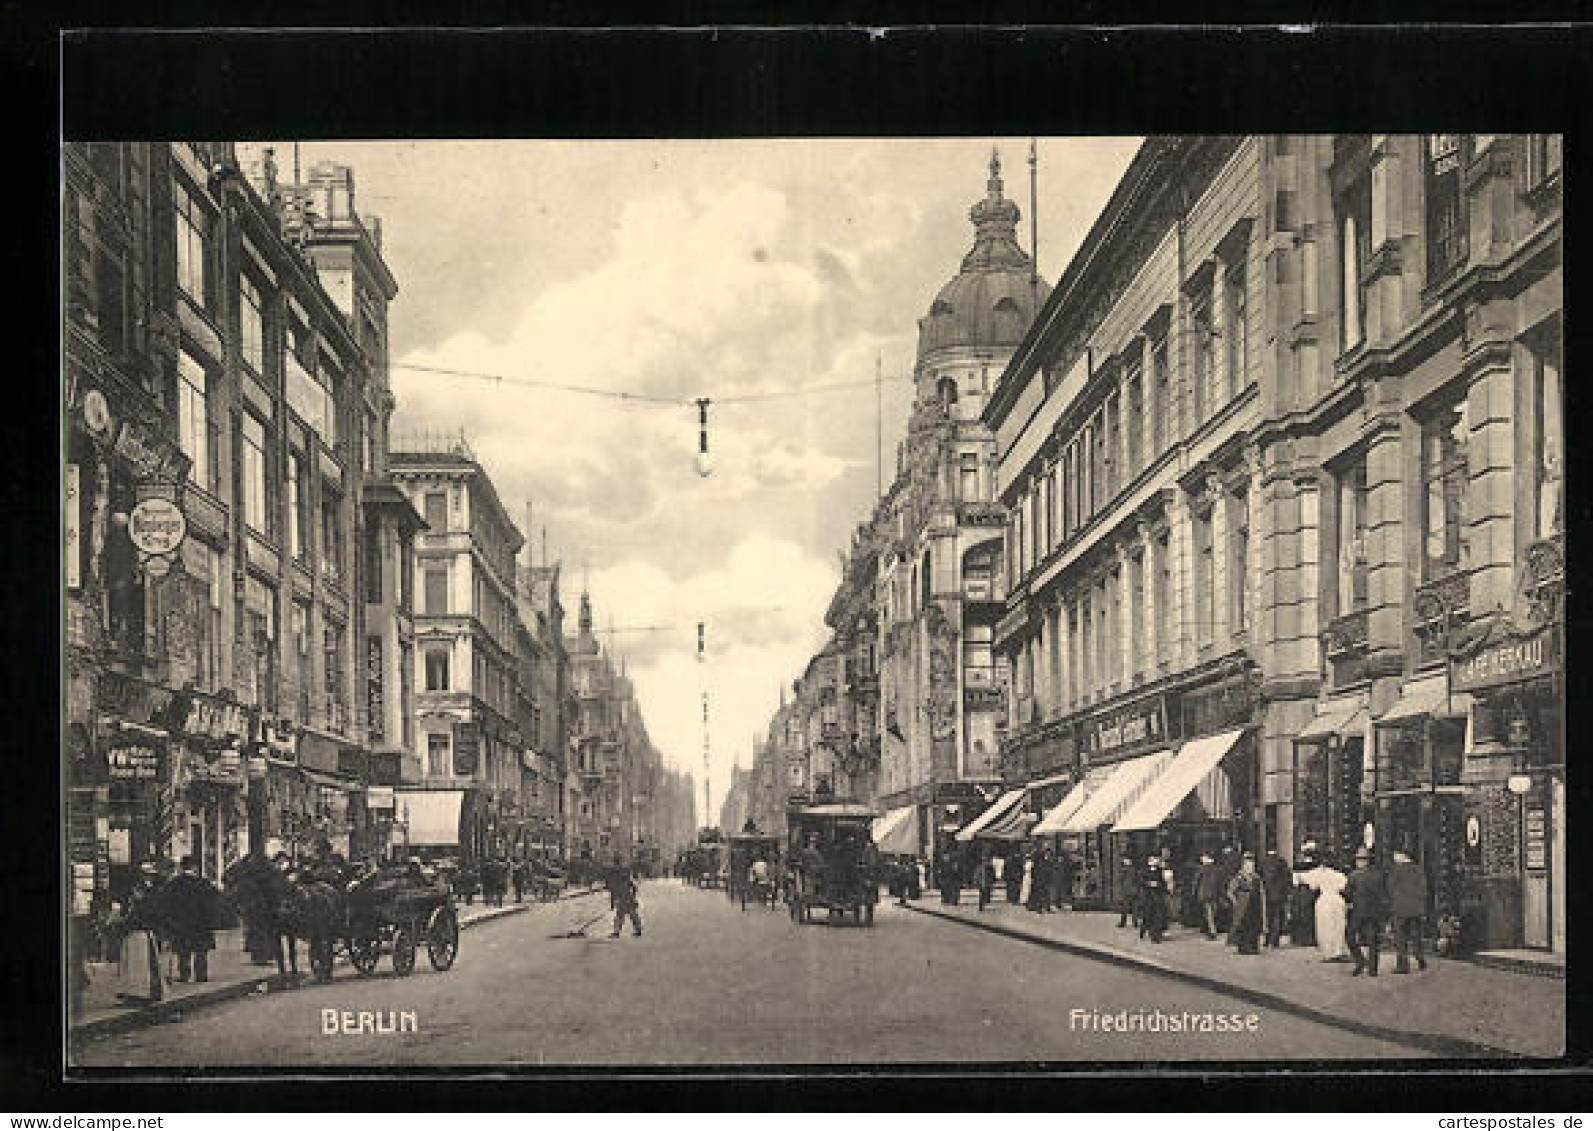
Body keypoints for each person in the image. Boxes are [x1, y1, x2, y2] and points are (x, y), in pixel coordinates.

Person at [158, 855, 224, 984]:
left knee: (183, 950)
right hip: (201, 923)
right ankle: (201, 975)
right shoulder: (203, 883)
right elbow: (214, 902)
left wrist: (169, 923)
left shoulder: (173, 884)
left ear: (182, 868)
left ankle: (184, 974)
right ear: (195, 868)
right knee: (201, 951)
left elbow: (165, 905)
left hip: (181, 923)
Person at [110, 865, 165, 1004]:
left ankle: (142, 993)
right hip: (135, 932)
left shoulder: (151, 894)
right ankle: (133, 992)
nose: (147, 878)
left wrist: (124, 921)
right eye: (145, 875)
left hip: (141, 932)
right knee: (132, 964)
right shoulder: (139, 894)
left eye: (149, 875)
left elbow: (148, 914)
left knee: (140, 964)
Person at [1345, 848, 1389, 977]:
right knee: (1373, 940)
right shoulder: (1379, 874)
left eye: (1359, 859)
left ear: (1363, 861)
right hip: (1374, 911)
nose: (1358, 862)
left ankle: (1360, 961)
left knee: (1350, 936)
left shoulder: (1353, 875)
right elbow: (1384, 893)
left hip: (1358, 911)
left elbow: (1347, 893)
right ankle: (1373, 969)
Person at [1386, 848, 1429, 974]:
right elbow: (1423, 890)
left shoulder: (1395, 870)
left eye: (1395, 855)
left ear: (1402, 856)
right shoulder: (1418, 870)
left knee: (1400, 938)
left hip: (1400, 909)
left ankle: (1403, 965)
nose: (1394, 858)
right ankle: (1420, 958)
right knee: (1416, 935)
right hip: (1416, 908)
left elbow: (1389, 888)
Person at [1226, 853, 1265, 955]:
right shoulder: (1238, 878)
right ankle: (1243, 947)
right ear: (1243, 866)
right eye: (1248, 866)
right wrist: (1236, 902)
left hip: (1255, 905)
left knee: (1254, 926)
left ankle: (1253, 947)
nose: (1250, 869)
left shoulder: (1257, 878)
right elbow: (1230, 891)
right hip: (1243, 905)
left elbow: (1261, 891)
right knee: (1243, 926)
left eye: (1252, 866)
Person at [1260, 848, 1293, 948]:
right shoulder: (1282, 862)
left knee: (1268, 918)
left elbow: (1261, 879)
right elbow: (1288, 878)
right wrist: (1288, 892)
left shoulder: (1263, 863)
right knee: (1278, 917)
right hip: (1280, 895)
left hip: (1268, 894)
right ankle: (1275, 940)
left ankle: (1267, 940)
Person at [1290, 841, 1320, 947]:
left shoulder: (1297, 865)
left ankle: (1300, 938)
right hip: (1310, 891)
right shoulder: (1316, 865)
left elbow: (1295, 881)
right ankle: (1310, 938)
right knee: (1310, 915)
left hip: (1300, 892)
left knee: (1300, 915)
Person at [606, 858, 643, 938]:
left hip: (622, 898)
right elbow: (633, 887)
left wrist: (612, 903)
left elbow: (613, 891)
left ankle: (616, 932)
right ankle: (638, 929)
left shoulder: (614, 877)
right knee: (632, 914)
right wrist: (633, 895)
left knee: (620, 915)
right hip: (628, 897)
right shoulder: (624, 875)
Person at [1139, 855, 1171, 942]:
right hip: (1148, 896)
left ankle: (1155, 936)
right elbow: (1141, 881)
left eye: (1155, 860)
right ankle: (1143, 930)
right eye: (1152, 860)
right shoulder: (1144, 871)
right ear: (1149, 862)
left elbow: (1164, 883)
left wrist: (1158, 885)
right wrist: (1148, 884)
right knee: (1148, 916)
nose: (1154, 862)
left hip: (1158, 896)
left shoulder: (1160, 871)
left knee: (1158, 916)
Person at [1195, 853, 1224, 939]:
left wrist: (1196, 892)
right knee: (1211, 912)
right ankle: (1212, 930)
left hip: (1206, 893)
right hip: (1212, 894)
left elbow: (1197, 882)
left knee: (1209, 912)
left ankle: (1211, 930)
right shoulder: (1216, 869)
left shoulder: (1202, 869)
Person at [1115, 855, 1139, 929]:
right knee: (1134, 907)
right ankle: (1135, 923)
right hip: (1133, 890)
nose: (1124, 861)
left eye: (1126, 859)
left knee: (1125, 907)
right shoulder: (1134, 869)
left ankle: (1123, 922)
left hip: (1127, 891)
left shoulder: (1125, 869)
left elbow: (1120, 879)